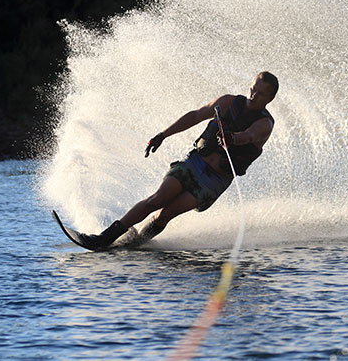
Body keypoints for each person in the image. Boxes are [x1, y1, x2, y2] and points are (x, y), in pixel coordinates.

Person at [75, 71, 279, 250]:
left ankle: (136, 243)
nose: (253, 96)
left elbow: (249, 136)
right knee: (157, 199)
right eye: (252, 89)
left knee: (166, 214)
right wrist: (162, 135)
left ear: (270, 98)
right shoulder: (227, 103)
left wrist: (233, 138)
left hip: (215, 180)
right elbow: (195, 116)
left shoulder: (264, 124)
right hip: (195, 162)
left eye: (260, 94)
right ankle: (103, 238)